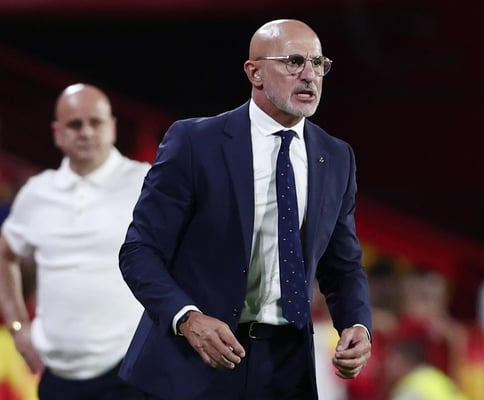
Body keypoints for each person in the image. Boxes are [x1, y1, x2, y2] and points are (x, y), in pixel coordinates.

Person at [118, 18, 373, 400]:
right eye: (293, 62)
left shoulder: (336, 156)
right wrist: (187, 318)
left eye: (318, 63)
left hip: (287, 367)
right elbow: (139, 251)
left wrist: (356, 324)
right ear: (255, 73)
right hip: (195, 360)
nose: (309, 75)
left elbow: (343, 264)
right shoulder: (195, 142)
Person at [0, 83, 150, 399]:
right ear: (57, 133)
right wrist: (17, 327)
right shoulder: (37, 192)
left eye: (95, 122)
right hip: (56, 376)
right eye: (74, 124)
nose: (86, 132)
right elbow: (5, 253)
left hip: (130, 370)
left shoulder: (146, 183)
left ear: (112, 127)